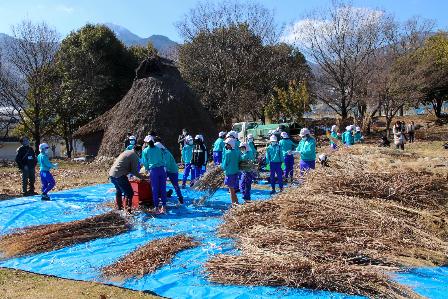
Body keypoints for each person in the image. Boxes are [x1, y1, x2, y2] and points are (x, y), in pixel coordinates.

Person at [109, 145, 144, 212]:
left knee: (119, 190)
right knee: (129, 193)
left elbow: (126, 167)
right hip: (119, 175)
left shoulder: (127, 151)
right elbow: (134, 171)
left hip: (112, 174)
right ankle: (128, 211)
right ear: (139, 151)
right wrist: (143, 177)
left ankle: (119, 208)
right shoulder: (134, 156)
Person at [142, 139, 167, 213]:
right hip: (162, 169)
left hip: (153, 171)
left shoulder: (145, 151)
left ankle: (156, 207)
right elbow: (163, 158)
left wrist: (147, 169)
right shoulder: (159, 149)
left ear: (147, 143)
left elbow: (145, 162)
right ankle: (164, 206)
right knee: (163, 188)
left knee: (155, 189)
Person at [222, 138, 241, 205]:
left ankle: (233, 203)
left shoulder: (227, 153)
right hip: (235, 172)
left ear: (230, 145)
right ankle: (236, 202)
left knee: (231, 189)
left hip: (229, 173)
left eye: (227, 144)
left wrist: (223, 168)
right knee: (232, 189)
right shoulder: (237, 152)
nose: (226, 145)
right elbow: (239, 161)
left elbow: (224, 165)